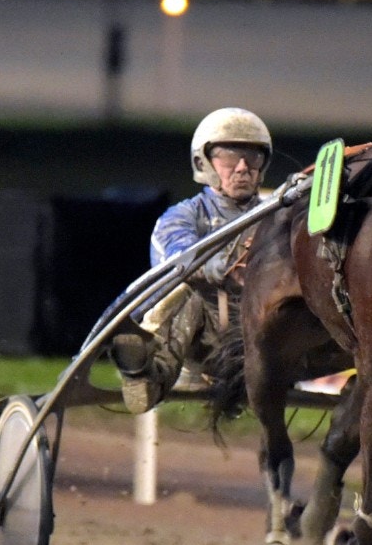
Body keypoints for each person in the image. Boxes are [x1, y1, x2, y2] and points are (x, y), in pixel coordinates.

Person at [111, 107, 271, 413]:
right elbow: (176, 259)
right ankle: (150, 374)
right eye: (229, 157)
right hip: (208, 337)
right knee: (185, 290)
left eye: (253, 157)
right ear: (203, 163)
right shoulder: (183, 216)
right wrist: (225, 268)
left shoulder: (277, 215)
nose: (242, 168)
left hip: (267, 332)